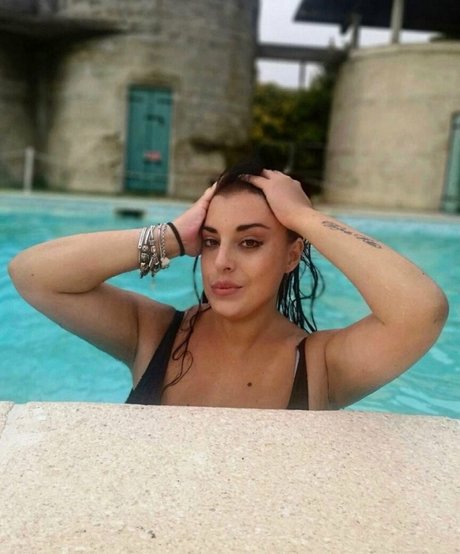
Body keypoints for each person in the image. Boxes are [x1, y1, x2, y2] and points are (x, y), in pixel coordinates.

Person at [8, 162, 448, 410]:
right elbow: (32, 274)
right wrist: (173, 236)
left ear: (291, 255)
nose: (221, 262)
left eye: (250, 242)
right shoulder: (153, 334)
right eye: (211, 241)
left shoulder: (321, 366)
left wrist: (303, 218)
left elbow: (421, 311)